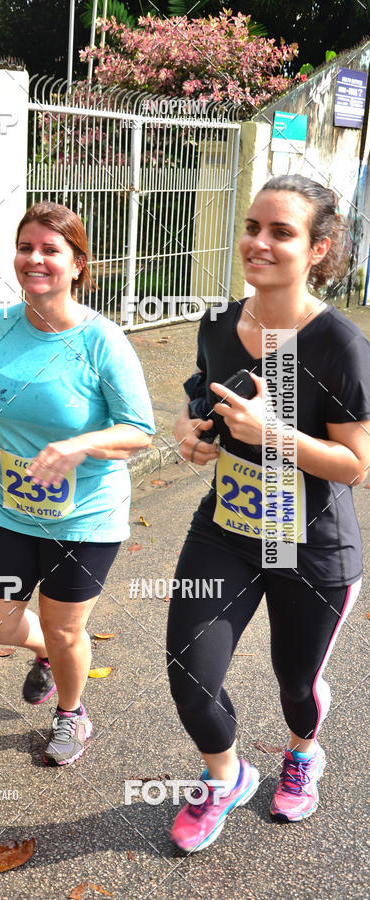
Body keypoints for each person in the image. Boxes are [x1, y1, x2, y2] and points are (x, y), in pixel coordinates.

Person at [167, 175, 370, 852]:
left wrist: (274, 434)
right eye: (253, 227)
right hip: (227, 530)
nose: (259, 242)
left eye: (281, 232)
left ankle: (303, 752)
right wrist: (193, 433)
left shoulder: (338, 344)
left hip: (310, 546)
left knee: (296, 685)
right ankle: (226, 776)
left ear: (318, 248)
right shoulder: (221, 325)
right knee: (191, 673)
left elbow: (356, 464)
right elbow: (204, 400)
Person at [0, 201, 155, 766]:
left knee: (67, 628)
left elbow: (139, 430)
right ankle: (48, 652)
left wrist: (78, 445)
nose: (35, 259)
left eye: (50, 250)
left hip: (86, 514)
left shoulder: (102, 342)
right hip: (10, 505)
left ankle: (72, 714)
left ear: (77, 265)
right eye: (26, 248)